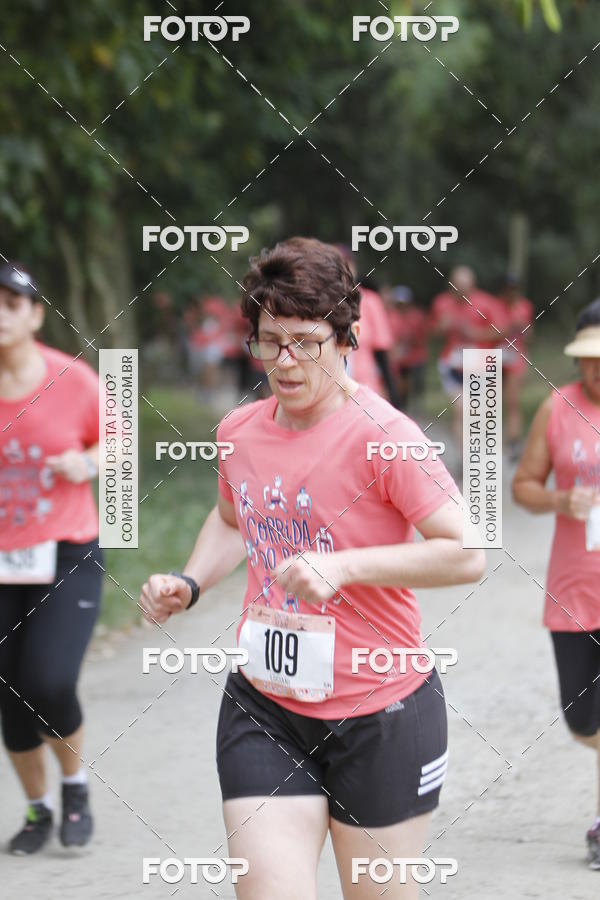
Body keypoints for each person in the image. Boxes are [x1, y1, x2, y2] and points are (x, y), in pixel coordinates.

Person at [140, 238, 486, 899]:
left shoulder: (384, 436)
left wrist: (345, 567)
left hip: (380, 708)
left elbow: (468, 552)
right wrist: (188, 583)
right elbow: (233, 519)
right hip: (265, 702)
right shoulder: (239, 430)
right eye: (269, 341)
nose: (286, 361)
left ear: (348, 337)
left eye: (305, 341)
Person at [0, 261, 103, 854]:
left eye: (12, 303)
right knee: (9, 696)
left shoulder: (77, 379)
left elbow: (121, 445)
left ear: (36, 315)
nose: (1, 315)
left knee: (48, 681)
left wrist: (89, 463)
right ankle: (38, 812)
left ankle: (75, 785)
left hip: (67, 550)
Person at [512, 297, 600, 871]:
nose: (595, 370)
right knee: (583, 719)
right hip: (573, 590)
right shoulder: (557, 407)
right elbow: (522, 485)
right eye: (587, 359)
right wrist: (558, 499)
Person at [429, 266, 507, 452]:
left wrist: (475, 334)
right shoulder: (442, 303)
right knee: (461, 410)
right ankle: (466, 456)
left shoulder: (486, 302)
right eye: (457, 288)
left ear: (473, 285)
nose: (461, 292)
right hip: (453, 364)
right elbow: (431, 331)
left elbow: (501, 331)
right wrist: (442, 327)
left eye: (465, 288)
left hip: (479, 362)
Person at [498, 274, 534, 461]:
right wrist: (506, 328)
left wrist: (523, 328)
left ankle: (514, 442)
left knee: (513, 402)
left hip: (516, 357)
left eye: (514, 288)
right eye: (508, 288)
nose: (511, 292)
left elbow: (530, 335)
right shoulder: (495, 306)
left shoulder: (525, 306)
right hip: (496, 356)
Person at [385, 286, 429, 414]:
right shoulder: (392, 316)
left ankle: (413, 405)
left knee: (414, 383)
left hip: (415, 357)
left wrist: (410, 340)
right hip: (400, 360)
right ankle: (401, 406)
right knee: (401, 384)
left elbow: (422, 338)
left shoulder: (416, 316)